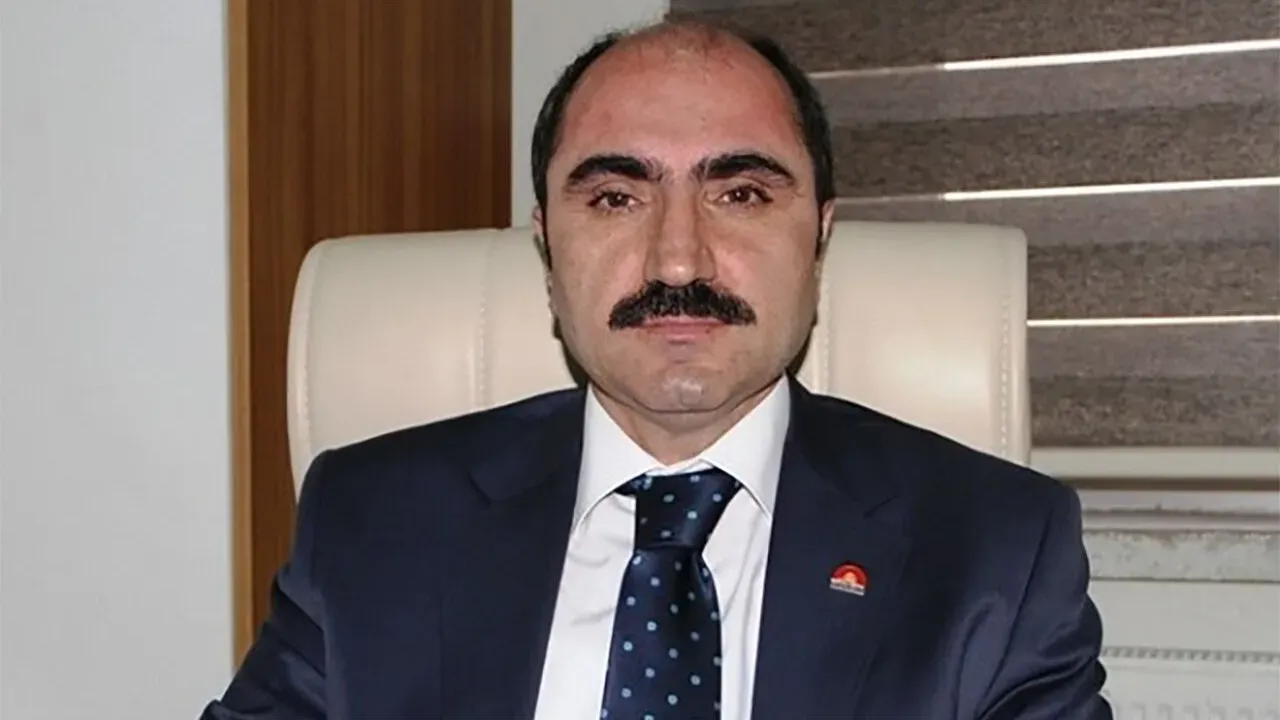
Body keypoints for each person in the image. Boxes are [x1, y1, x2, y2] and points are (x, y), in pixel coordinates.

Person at [202, 20, 1111, 720]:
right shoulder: (372, 520)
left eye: (741, 193)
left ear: (819, 238)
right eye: (615, 197)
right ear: (548, 245)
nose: (679, 260)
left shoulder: (994, 550)